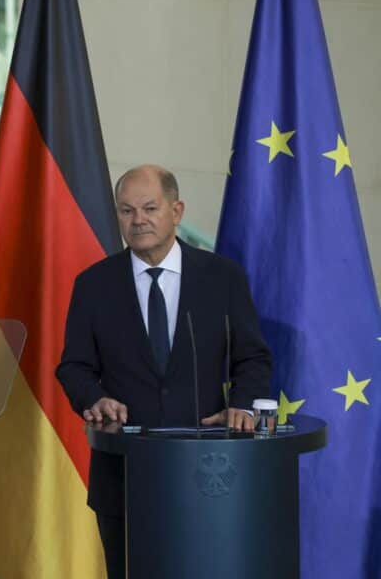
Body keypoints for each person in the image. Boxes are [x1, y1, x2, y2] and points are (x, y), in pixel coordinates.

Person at [55, 164, 271, 578]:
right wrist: (95, 399)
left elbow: (253, 357)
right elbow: (75, 366)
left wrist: (242, 404)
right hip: (124, 475)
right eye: (126, 211)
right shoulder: (94, 284)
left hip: (208, 470)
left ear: (177, 210)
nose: (138, 221)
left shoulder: (221, 277)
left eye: (150, 208)